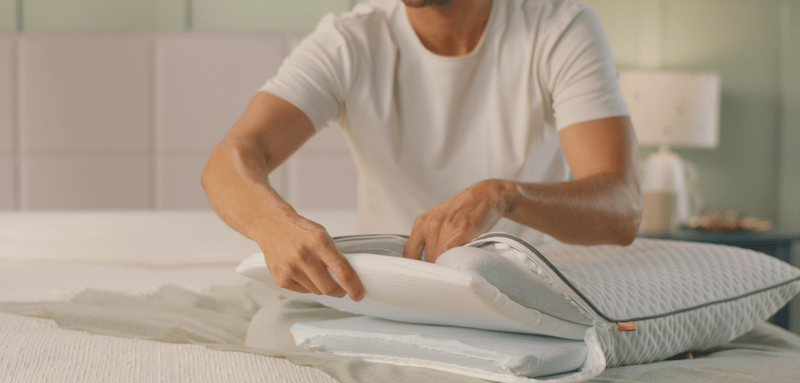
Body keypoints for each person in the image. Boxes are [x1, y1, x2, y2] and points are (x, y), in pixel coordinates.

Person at [201, 0, 642, 303]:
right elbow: (230, 156)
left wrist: (504, 196)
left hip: (521, 295)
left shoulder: (560, 28)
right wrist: (271, 223)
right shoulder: (350, 41)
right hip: (389, 295)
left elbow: (622, 208)